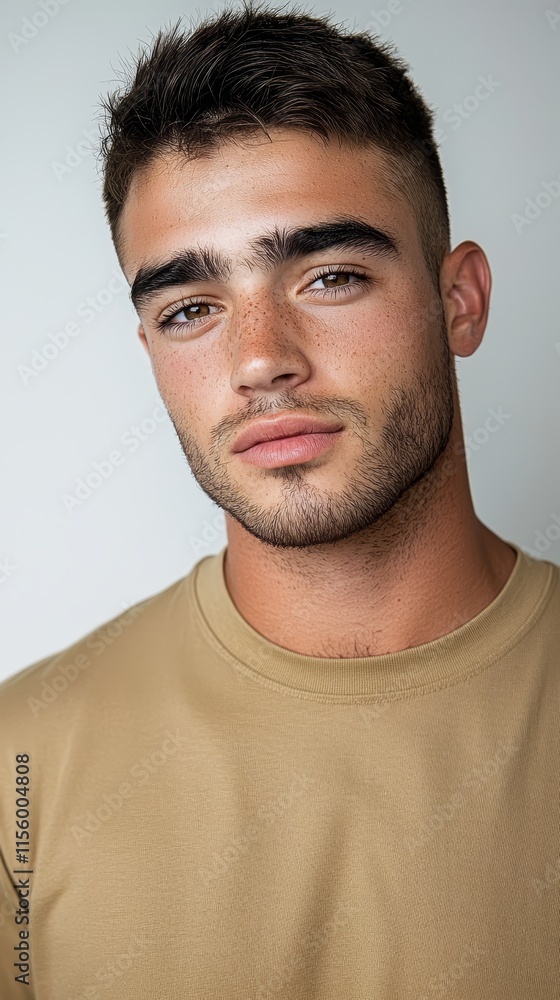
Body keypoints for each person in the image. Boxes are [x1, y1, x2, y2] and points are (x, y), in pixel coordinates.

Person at [1, 2, 558, 996]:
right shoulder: (17, 768)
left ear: (457, 300)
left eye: (329, 275)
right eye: (190, 308)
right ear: (150, 352)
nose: (259, 358)